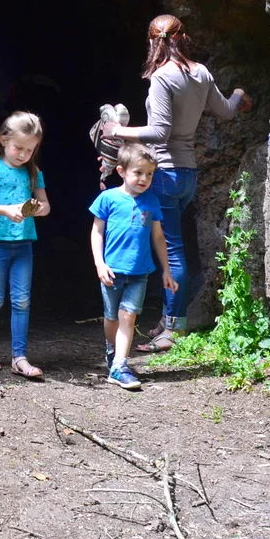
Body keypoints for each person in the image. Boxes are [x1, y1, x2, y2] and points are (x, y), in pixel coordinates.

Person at [101, 14, 252, 351]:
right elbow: (227, 111)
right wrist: (239, 92)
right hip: (188, 175)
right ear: (184, 38)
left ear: (153, 41)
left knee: (171, 253)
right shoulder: (201, 73)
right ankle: (168, 320)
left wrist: (117, 132)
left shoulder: (162, 78)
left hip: (164, 173)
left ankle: (174, 328)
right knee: (171, 247)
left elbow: (159, 132)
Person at [0, 111, 52, 380]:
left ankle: (20, 357)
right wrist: (7, 210)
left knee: (22, 300)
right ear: (4, 139)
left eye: (30, 150)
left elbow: (46, 206)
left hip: (23, 244)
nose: (23, 154)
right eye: (19, 147)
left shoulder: (33, 171)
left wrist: (37, 209)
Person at [90, 144, 174, 390]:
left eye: (149, 174)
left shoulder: (152, 201)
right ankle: (112, 351)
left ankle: (119, 365)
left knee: (128, 317)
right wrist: (99, 263)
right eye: (138, 173)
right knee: (111, 318)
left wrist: (166, 269)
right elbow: (97, 232)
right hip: (112, 271)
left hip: (140, 273)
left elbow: (158, 237)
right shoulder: (108, 198)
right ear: (121, 171)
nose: (144, 179)